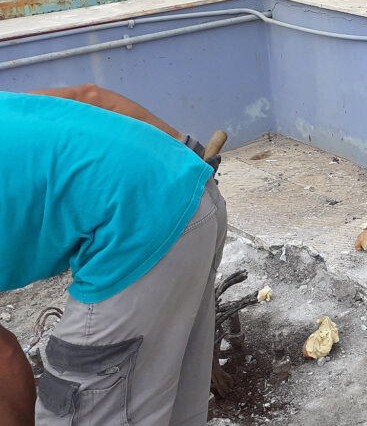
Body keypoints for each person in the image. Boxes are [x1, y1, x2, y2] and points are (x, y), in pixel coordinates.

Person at [0, 84, 227, 426]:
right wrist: (186, 149)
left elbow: (3, 360)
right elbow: (88, 96)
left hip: (137, 228)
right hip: (189, 182)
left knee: (80, 409)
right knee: (171, 407)